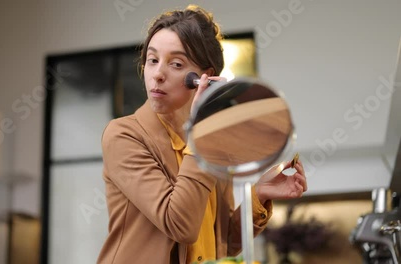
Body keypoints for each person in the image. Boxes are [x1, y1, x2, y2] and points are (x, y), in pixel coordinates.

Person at [97, 5, 307, 264]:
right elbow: (180, 225)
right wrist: (201, 136)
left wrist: (259, 194)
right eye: (152, 60)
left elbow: (224, 241)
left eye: (175, 64)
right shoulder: (123, 135)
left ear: (204, 78)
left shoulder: (214, 143)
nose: (158, 74)